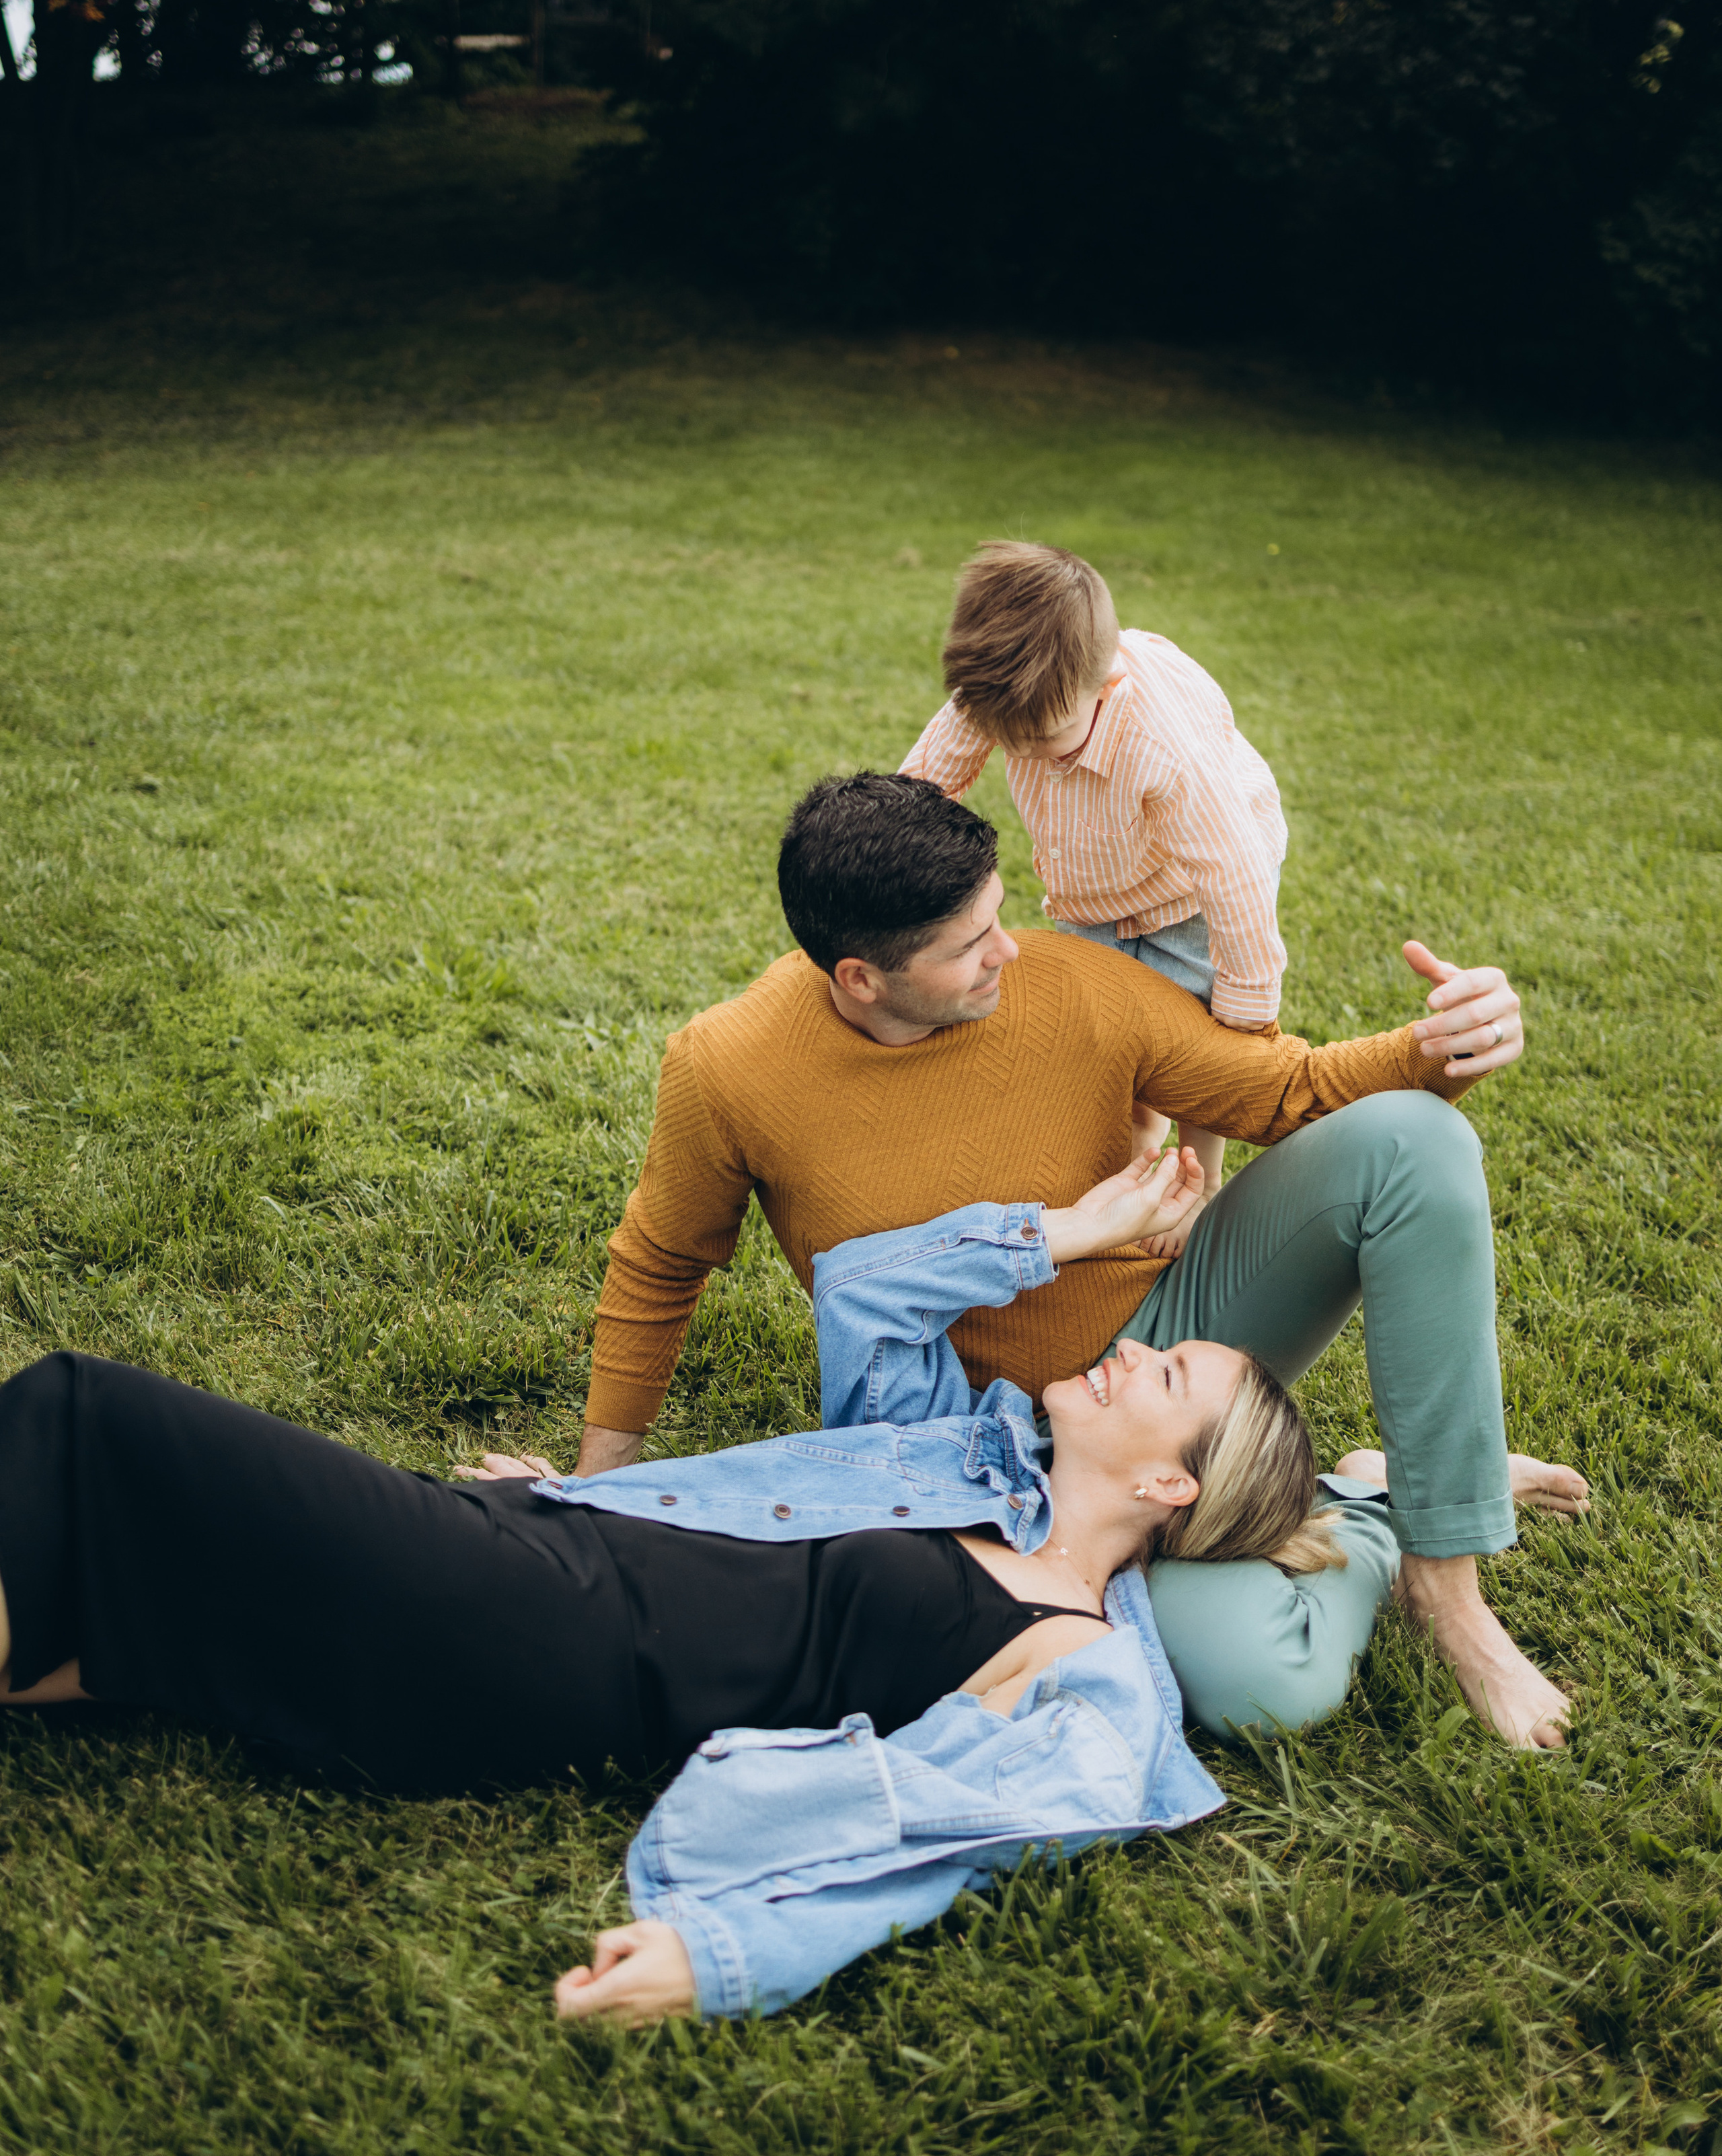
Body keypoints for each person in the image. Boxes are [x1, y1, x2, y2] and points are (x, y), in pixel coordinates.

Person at [0, 1152, 1341, 2024]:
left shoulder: (1080, 1666)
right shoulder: (967, 1449)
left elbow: (934, 1845)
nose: (1131, 1353)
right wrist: (1078, 1225)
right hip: (538, 1552)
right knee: (130, 1615)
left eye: (1165, 1379)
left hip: (533, 1641)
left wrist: (720, 1959)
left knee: (88, 1416)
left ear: (1171, 1490)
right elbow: (868, 1291)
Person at [576, 769, 1582, 1748]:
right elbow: (662, 1261)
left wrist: (1436, 1049)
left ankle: (1448, 1592)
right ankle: (1363, 1498)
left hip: (1168, 1346)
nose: (1009, 951)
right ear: (862, 978)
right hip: (988, 1453)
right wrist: (591, 1483)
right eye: (971, 946)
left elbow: (1284, 1090)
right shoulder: (726, 1066)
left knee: (1414, 1139)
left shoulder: (1071, 982)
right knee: (1254, 1679)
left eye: (999, 915)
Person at [902, 540, 1290, 1249]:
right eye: (1004, 739)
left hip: (1189, 900)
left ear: (1106, 687)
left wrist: (1246, 1012)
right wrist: (890, 846)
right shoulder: (1003, 694)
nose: (1022, 754)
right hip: (1095, 893)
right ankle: (1128, 1166)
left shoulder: (1163, 749)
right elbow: (928, 780)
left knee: (1198, 1051)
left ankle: (1195, 1182)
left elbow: (1232, 877)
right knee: (1107, 1047)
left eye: (1044, 739)